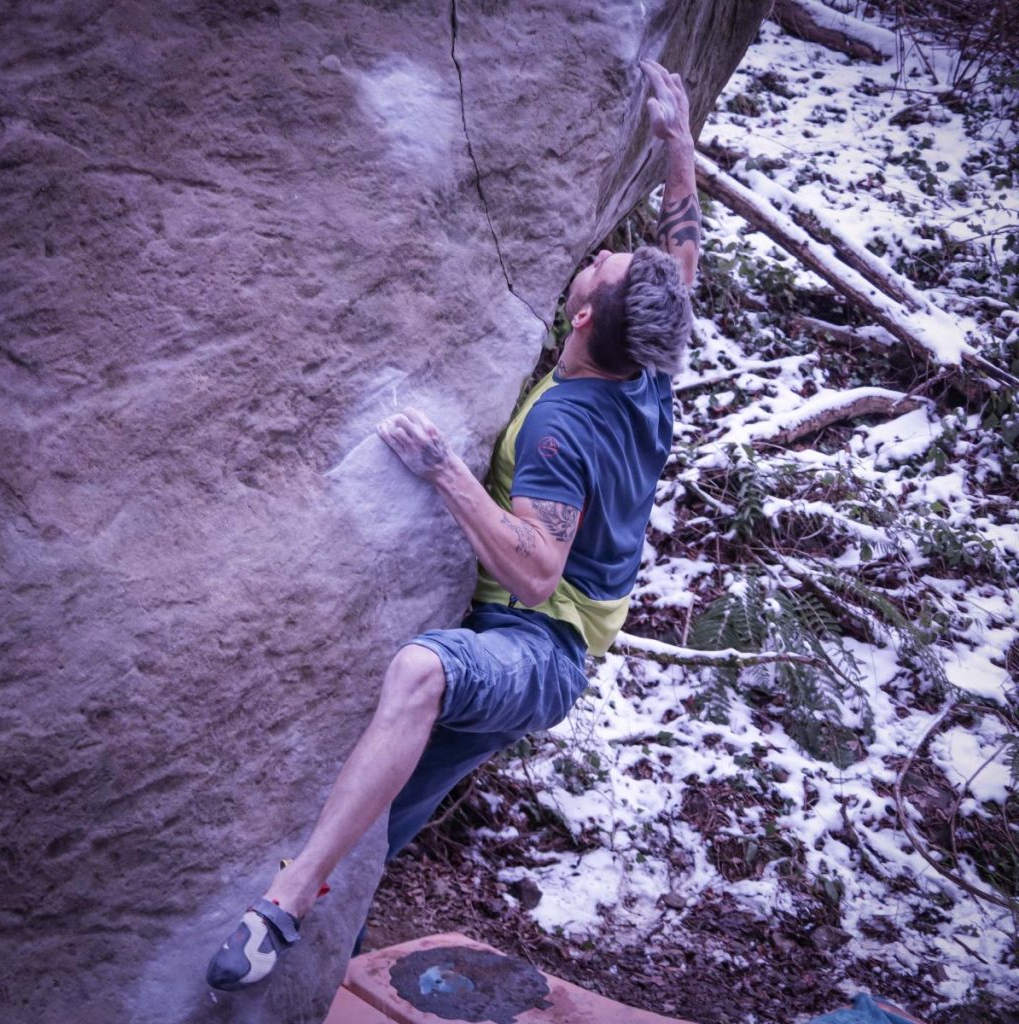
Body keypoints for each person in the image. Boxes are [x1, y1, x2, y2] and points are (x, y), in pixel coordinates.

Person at [206, 57, 700, 991]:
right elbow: (680, 261)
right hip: (555, 656)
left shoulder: (567, 423)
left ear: (584, 311)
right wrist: (675, 145)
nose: (599, 250)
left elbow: (537, 572)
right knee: (383, 821)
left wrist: (443, 473)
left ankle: (285, 904)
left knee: (423, 670)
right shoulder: (648, 366)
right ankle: (327, 962)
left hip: (534, 646)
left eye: (603, 261)